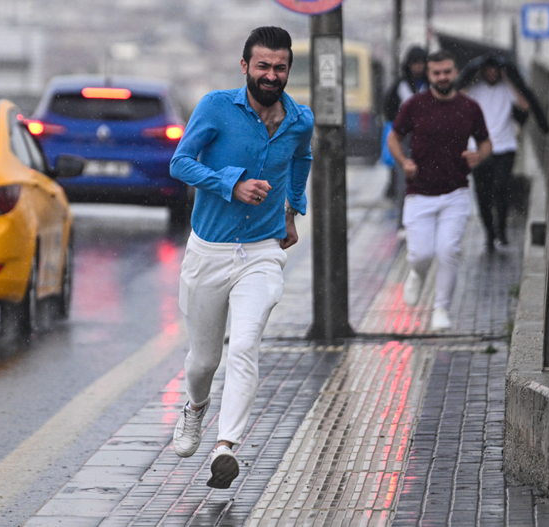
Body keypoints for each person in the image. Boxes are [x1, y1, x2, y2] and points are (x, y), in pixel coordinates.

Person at [168, 26, 313, 490]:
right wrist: (231, 184)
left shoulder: (299, 119)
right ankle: (194, 409)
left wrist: (293, 209)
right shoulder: (216, 106)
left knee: (246, 344)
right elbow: (180, 162)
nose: (271, 75)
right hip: (208, 249)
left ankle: (225, 447)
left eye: (280, 67)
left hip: (262, 251)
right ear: (246, 66)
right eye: (263, 66)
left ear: (289, 69)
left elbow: (302, 159)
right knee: (203, 362)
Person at [386, 50, 492, 331]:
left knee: (448, 250)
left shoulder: (470, 107)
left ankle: (441, 309)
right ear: (429, 75)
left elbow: (486, 143)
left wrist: (478, 156)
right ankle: (417, 274)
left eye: (447, 71)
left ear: (455, 72)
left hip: (455, 192)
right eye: (437, 73)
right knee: (421, 254)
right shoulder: (415, 105)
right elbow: (393, 138)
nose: (442, 77)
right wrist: (404, 161)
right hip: (419, 192)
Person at [463, 54, 530, 250]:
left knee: (500, 189)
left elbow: (525, 106)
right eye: (488, 70)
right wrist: (470, 77)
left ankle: (501, 229)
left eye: (495, 70)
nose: (492, 74)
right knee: (482, 194)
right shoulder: (475, 90)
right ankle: (489, 234)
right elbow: (458, 99)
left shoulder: (506, 89)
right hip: (478, 148)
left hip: (505, 147)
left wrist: (510, 81)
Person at [381, 46, 429, 209]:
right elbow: (388, 108)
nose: (418, 67)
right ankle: (403, 221)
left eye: (421, 63)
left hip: (427, 138)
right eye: (415, 63)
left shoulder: (430, 84)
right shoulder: (400, 85)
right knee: (404, 182)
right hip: (405, 137)